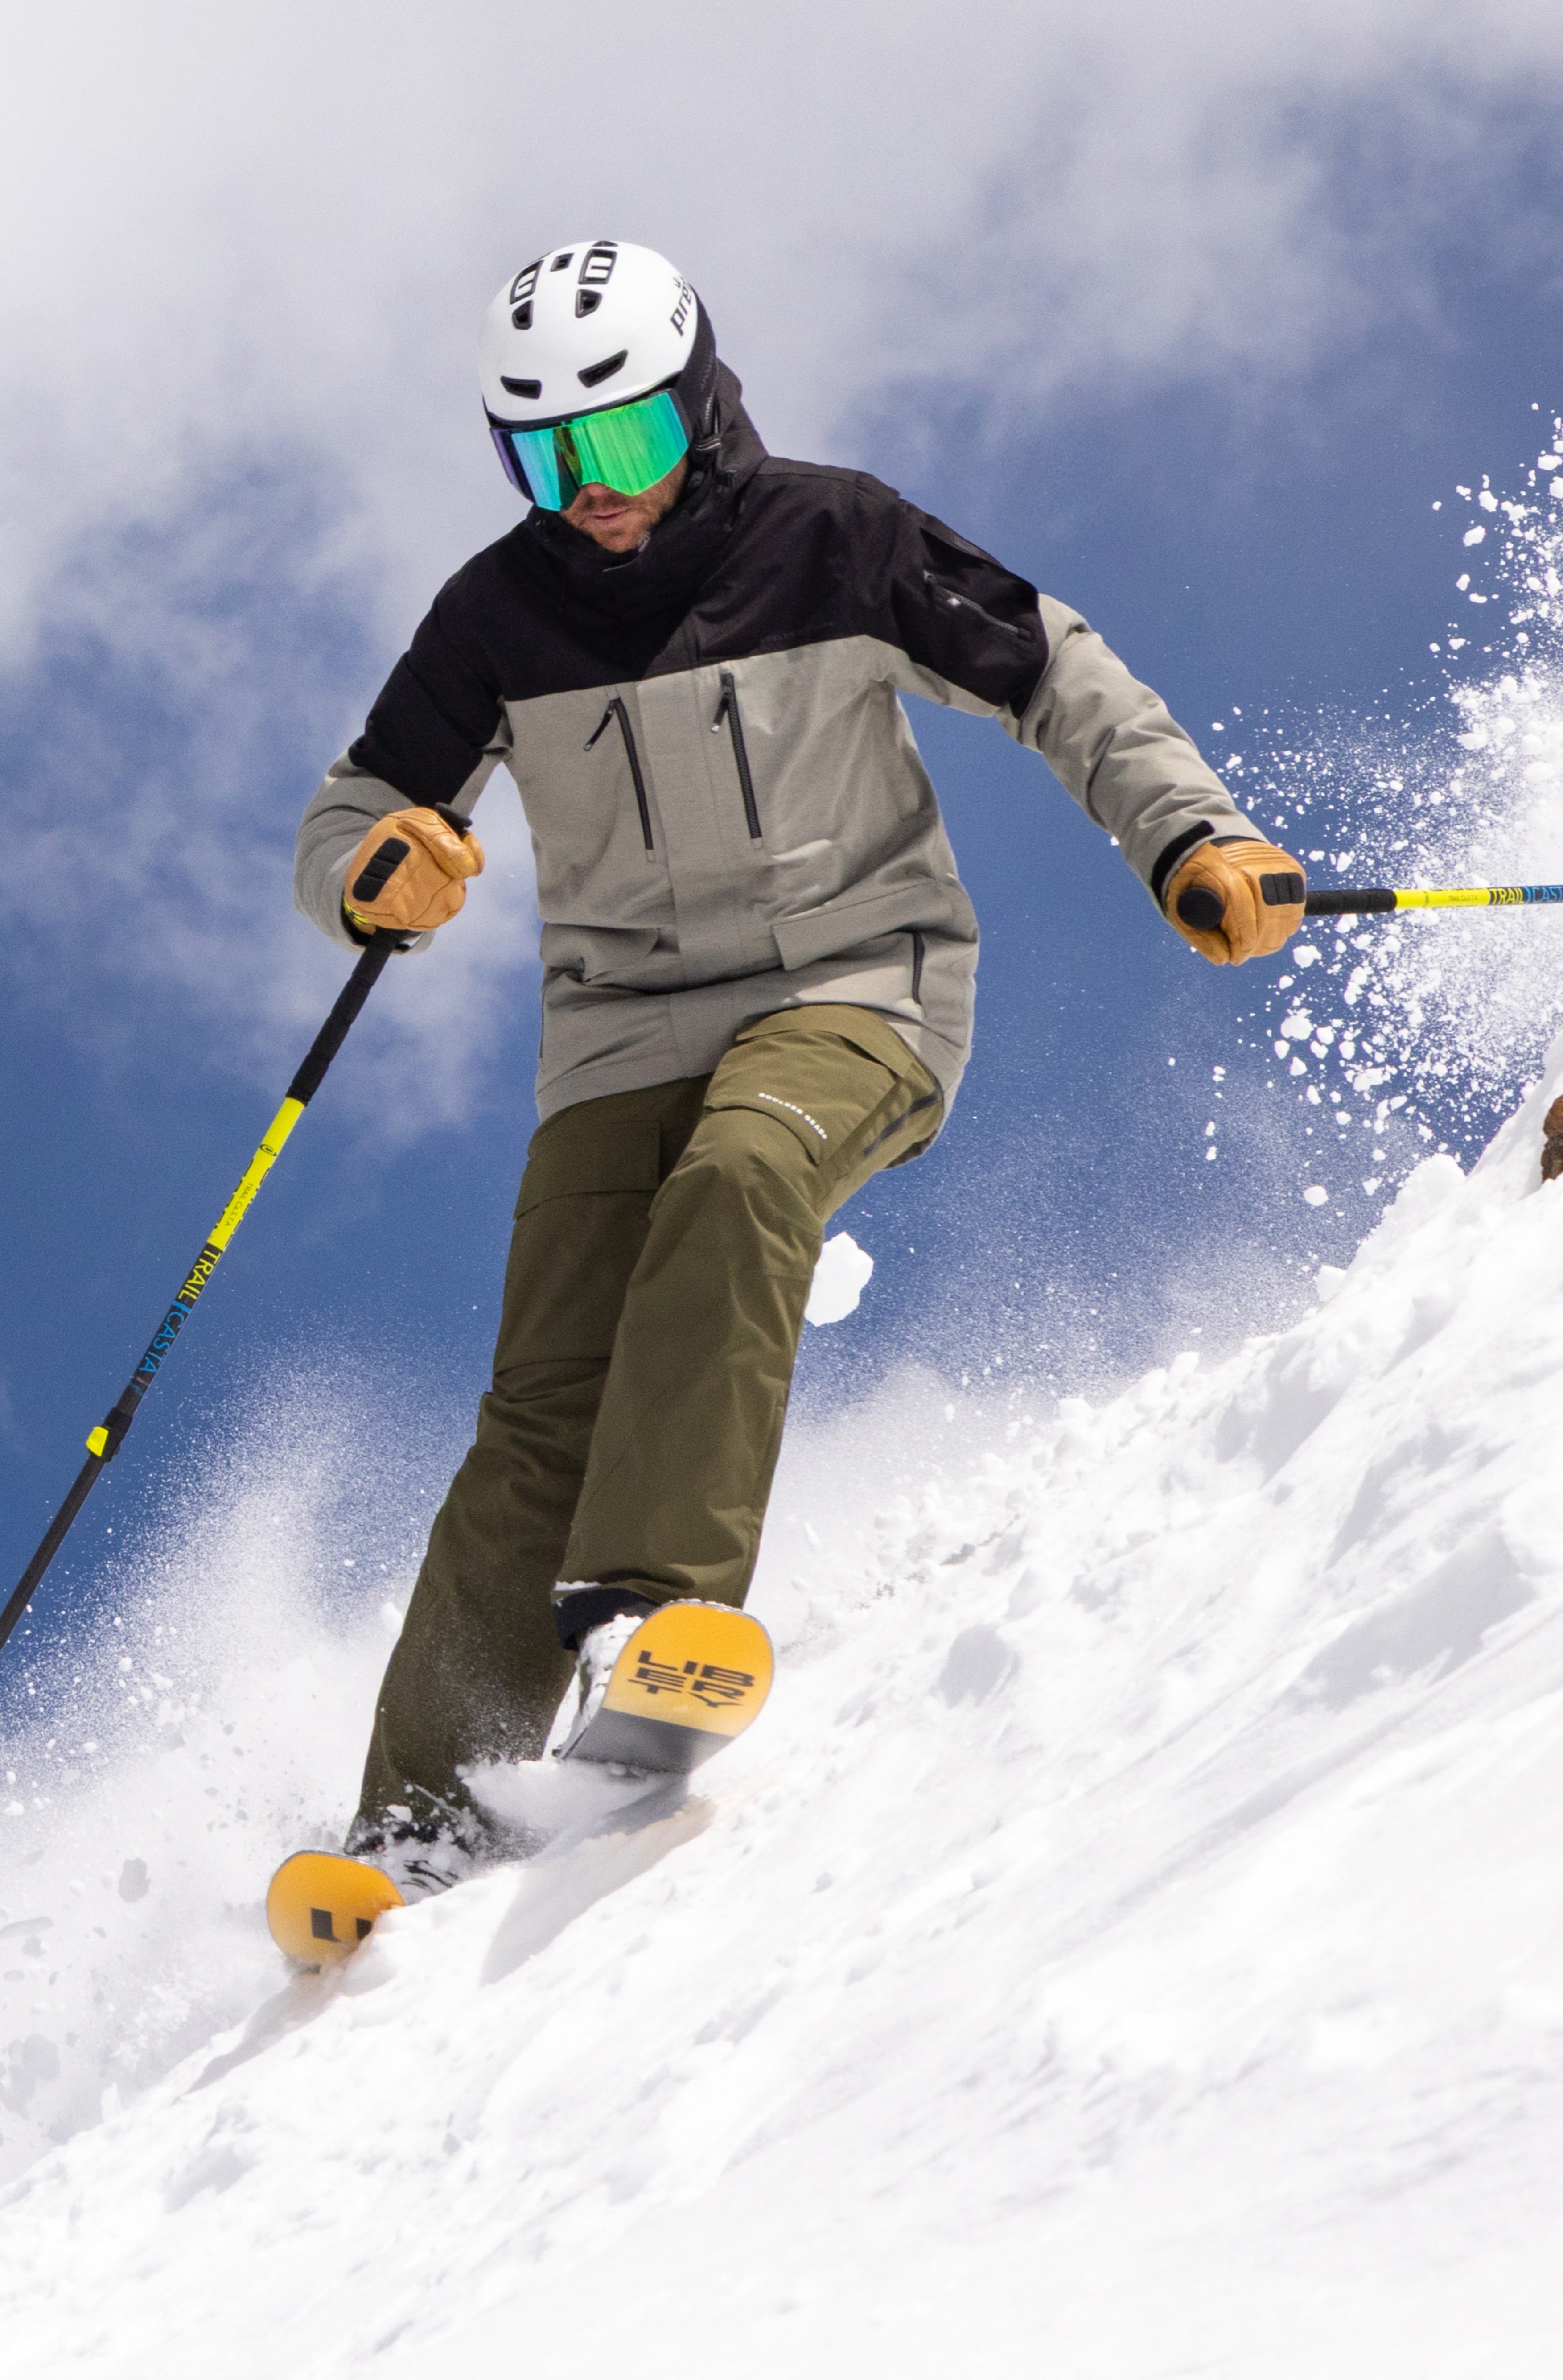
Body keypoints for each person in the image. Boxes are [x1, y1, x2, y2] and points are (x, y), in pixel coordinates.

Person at [293, 238, 1303, 1894]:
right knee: (544, 1398)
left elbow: (1059, 673)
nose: (593, 492)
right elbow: (355, 807)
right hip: (620, 1031)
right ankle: (424, 1818)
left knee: (748, 1169)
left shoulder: (835, 535)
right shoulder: (496, 613)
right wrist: (368, 869)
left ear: (698, 404)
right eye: (545, 457)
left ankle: (645, 1618)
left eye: (619, 444)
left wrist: (1193, 832)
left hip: (858, 982)